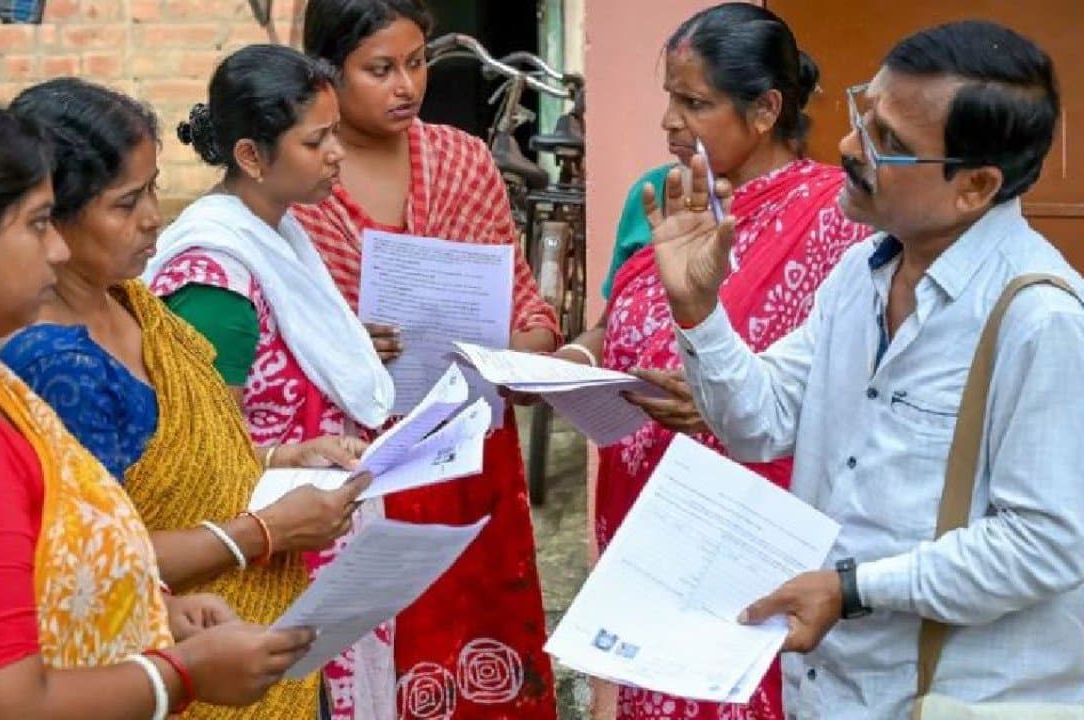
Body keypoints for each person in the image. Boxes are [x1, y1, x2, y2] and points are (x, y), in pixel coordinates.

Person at [0, 93, 314, 718]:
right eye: (39, 223)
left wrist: (148, 607)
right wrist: (183, 675)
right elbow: (2, 707)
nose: (59, 251)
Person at [649, 21, 1084, 719]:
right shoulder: (863, 271)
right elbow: (760, 425)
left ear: (974, 186)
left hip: (941, 697)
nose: (849, 148)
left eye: (888, 144)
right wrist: (699, 311)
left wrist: (854, 589)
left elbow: (1044, 546)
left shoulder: (1042, 321)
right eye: (863, 115)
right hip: (830, 688)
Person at [0, 77, 369, 719]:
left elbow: (187, 452)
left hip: (252, 644)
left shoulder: (132, 299)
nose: (153, 217)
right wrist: (261, 533)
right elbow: (85, 561)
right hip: (184, 664)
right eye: (125, 203)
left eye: (152, 189)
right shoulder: (56, 365)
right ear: (49, 216)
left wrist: (276, 459)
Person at [547, 5, 869, 717]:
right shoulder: (660, 198)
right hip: (640, 509)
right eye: (669, 96)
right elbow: (618, 316)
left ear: (765, 110)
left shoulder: (835, 220)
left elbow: (852, 378)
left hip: (745, 519)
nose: (668, 120)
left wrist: (728, 402)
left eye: (692, 102)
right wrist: (573, 358)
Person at [294, 1, 560, 717]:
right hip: (365, 470)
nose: (406, 85)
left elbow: (526, 307)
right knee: (384, 671)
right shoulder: (301, 185)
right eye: (380, 69)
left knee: (484, 663)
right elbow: (279, 346)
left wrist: (525, 354)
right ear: (326, 72)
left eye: (417, 63)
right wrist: (344, 344)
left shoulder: (462, 158)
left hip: (474, 462)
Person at [144, 45, 399, 719]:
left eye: (335, 133)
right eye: (316, 140)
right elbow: (201, 461)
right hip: (249, 578)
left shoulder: (278, 235)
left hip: (304, 552)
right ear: (253, 157)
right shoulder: (215, 279)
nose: (336, 153)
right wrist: (285, 456)